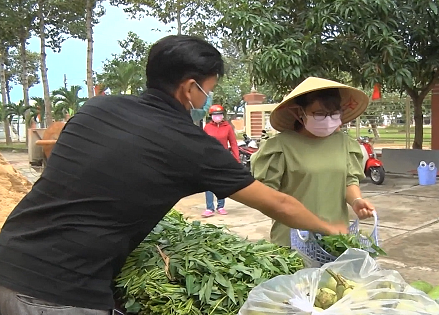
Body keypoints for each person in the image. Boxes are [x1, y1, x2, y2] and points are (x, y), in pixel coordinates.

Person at [0, 36, 347, 315]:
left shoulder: (97, 108)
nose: (209, 97)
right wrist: (329, 228)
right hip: (56, 294)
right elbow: (279, 203)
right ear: (190, 87)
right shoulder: (189, 144)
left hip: (8, 254)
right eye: (209, 88)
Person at [250, 77, 376, 247]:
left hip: (336, 239)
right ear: (299, 112)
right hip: (292, 240)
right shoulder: (279, 147)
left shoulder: (345, 143)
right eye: (320, 114)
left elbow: (348, 181)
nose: (329, 119)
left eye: (334, 113)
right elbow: (268, 197)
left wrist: (356, 201)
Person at [202, 104, 239, 217]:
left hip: (223, 158)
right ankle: (209, 208)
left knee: (221, 182)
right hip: (209, 158)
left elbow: (233, 143)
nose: (217, 116)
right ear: (211, 116)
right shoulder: (207, 127)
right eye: (214, 115)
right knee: (208, 184)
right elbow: (202, 143)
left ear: (223, 115)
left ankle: (221, 206)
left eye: (219, 114)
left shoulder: (227, 127)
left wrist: (236, 159)